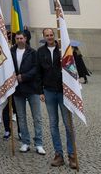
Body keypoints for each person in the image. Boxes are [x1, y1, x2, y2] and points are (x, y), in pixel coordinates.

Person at [37, 28, 76, 168]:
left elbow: (72, 69)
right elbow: (38, 72)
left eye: (51, 34)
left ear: (55, 35)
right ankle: (58, 154)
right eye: (47, 35)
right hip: (48, 91)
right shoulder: (40, 52)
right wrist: (40, 90)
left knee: (68, 124)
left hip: (64, 92)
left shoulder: (64, 50)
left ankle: (72, 155)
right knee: (53, 124)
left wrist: (72, 89)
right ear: (44, 37)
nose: (49, 37)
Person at [11, 31, 45, 155]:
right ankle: (25, 142)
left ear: (25, 39)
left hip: (32, 88)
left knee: (37, 117)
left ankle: (39, 143)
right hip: (17, 89)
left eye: (21, 38)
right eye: (17, 38)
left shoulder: (33, 52)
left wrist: (23, 76)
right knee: (21, 117)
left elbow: (36, 68)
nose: (19, 40)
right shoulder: (11, 52)